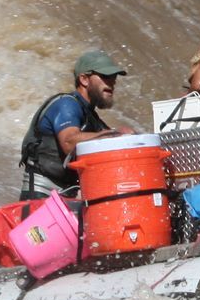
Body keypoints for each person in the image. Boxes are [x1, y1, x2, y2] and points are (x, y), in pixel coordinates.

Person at [19, 50, 135, 198]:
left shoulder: (91, 117)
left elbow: (113, 145)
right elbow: (69, 142)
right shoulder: (66, 104)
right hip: (41, 196)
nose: (112, 82)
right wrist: (116, 134)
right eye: (105, 76)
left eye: (113, 77)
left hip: (66, 195)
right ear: (84, 79)